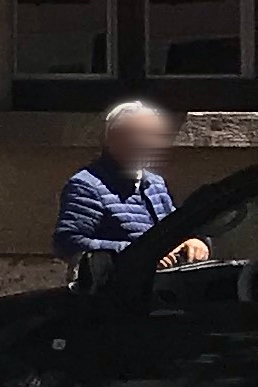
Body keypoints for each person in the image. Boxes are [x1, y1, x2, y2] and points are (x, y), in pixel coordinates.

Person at [54, 100, 207, 268]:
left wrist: (193, 240)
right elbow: (68, 243)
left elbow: (175, 227)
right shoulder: (87, 186)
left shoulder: (154, 183)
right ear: (113, 140)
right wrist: (137, 252)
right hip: (117, 281)